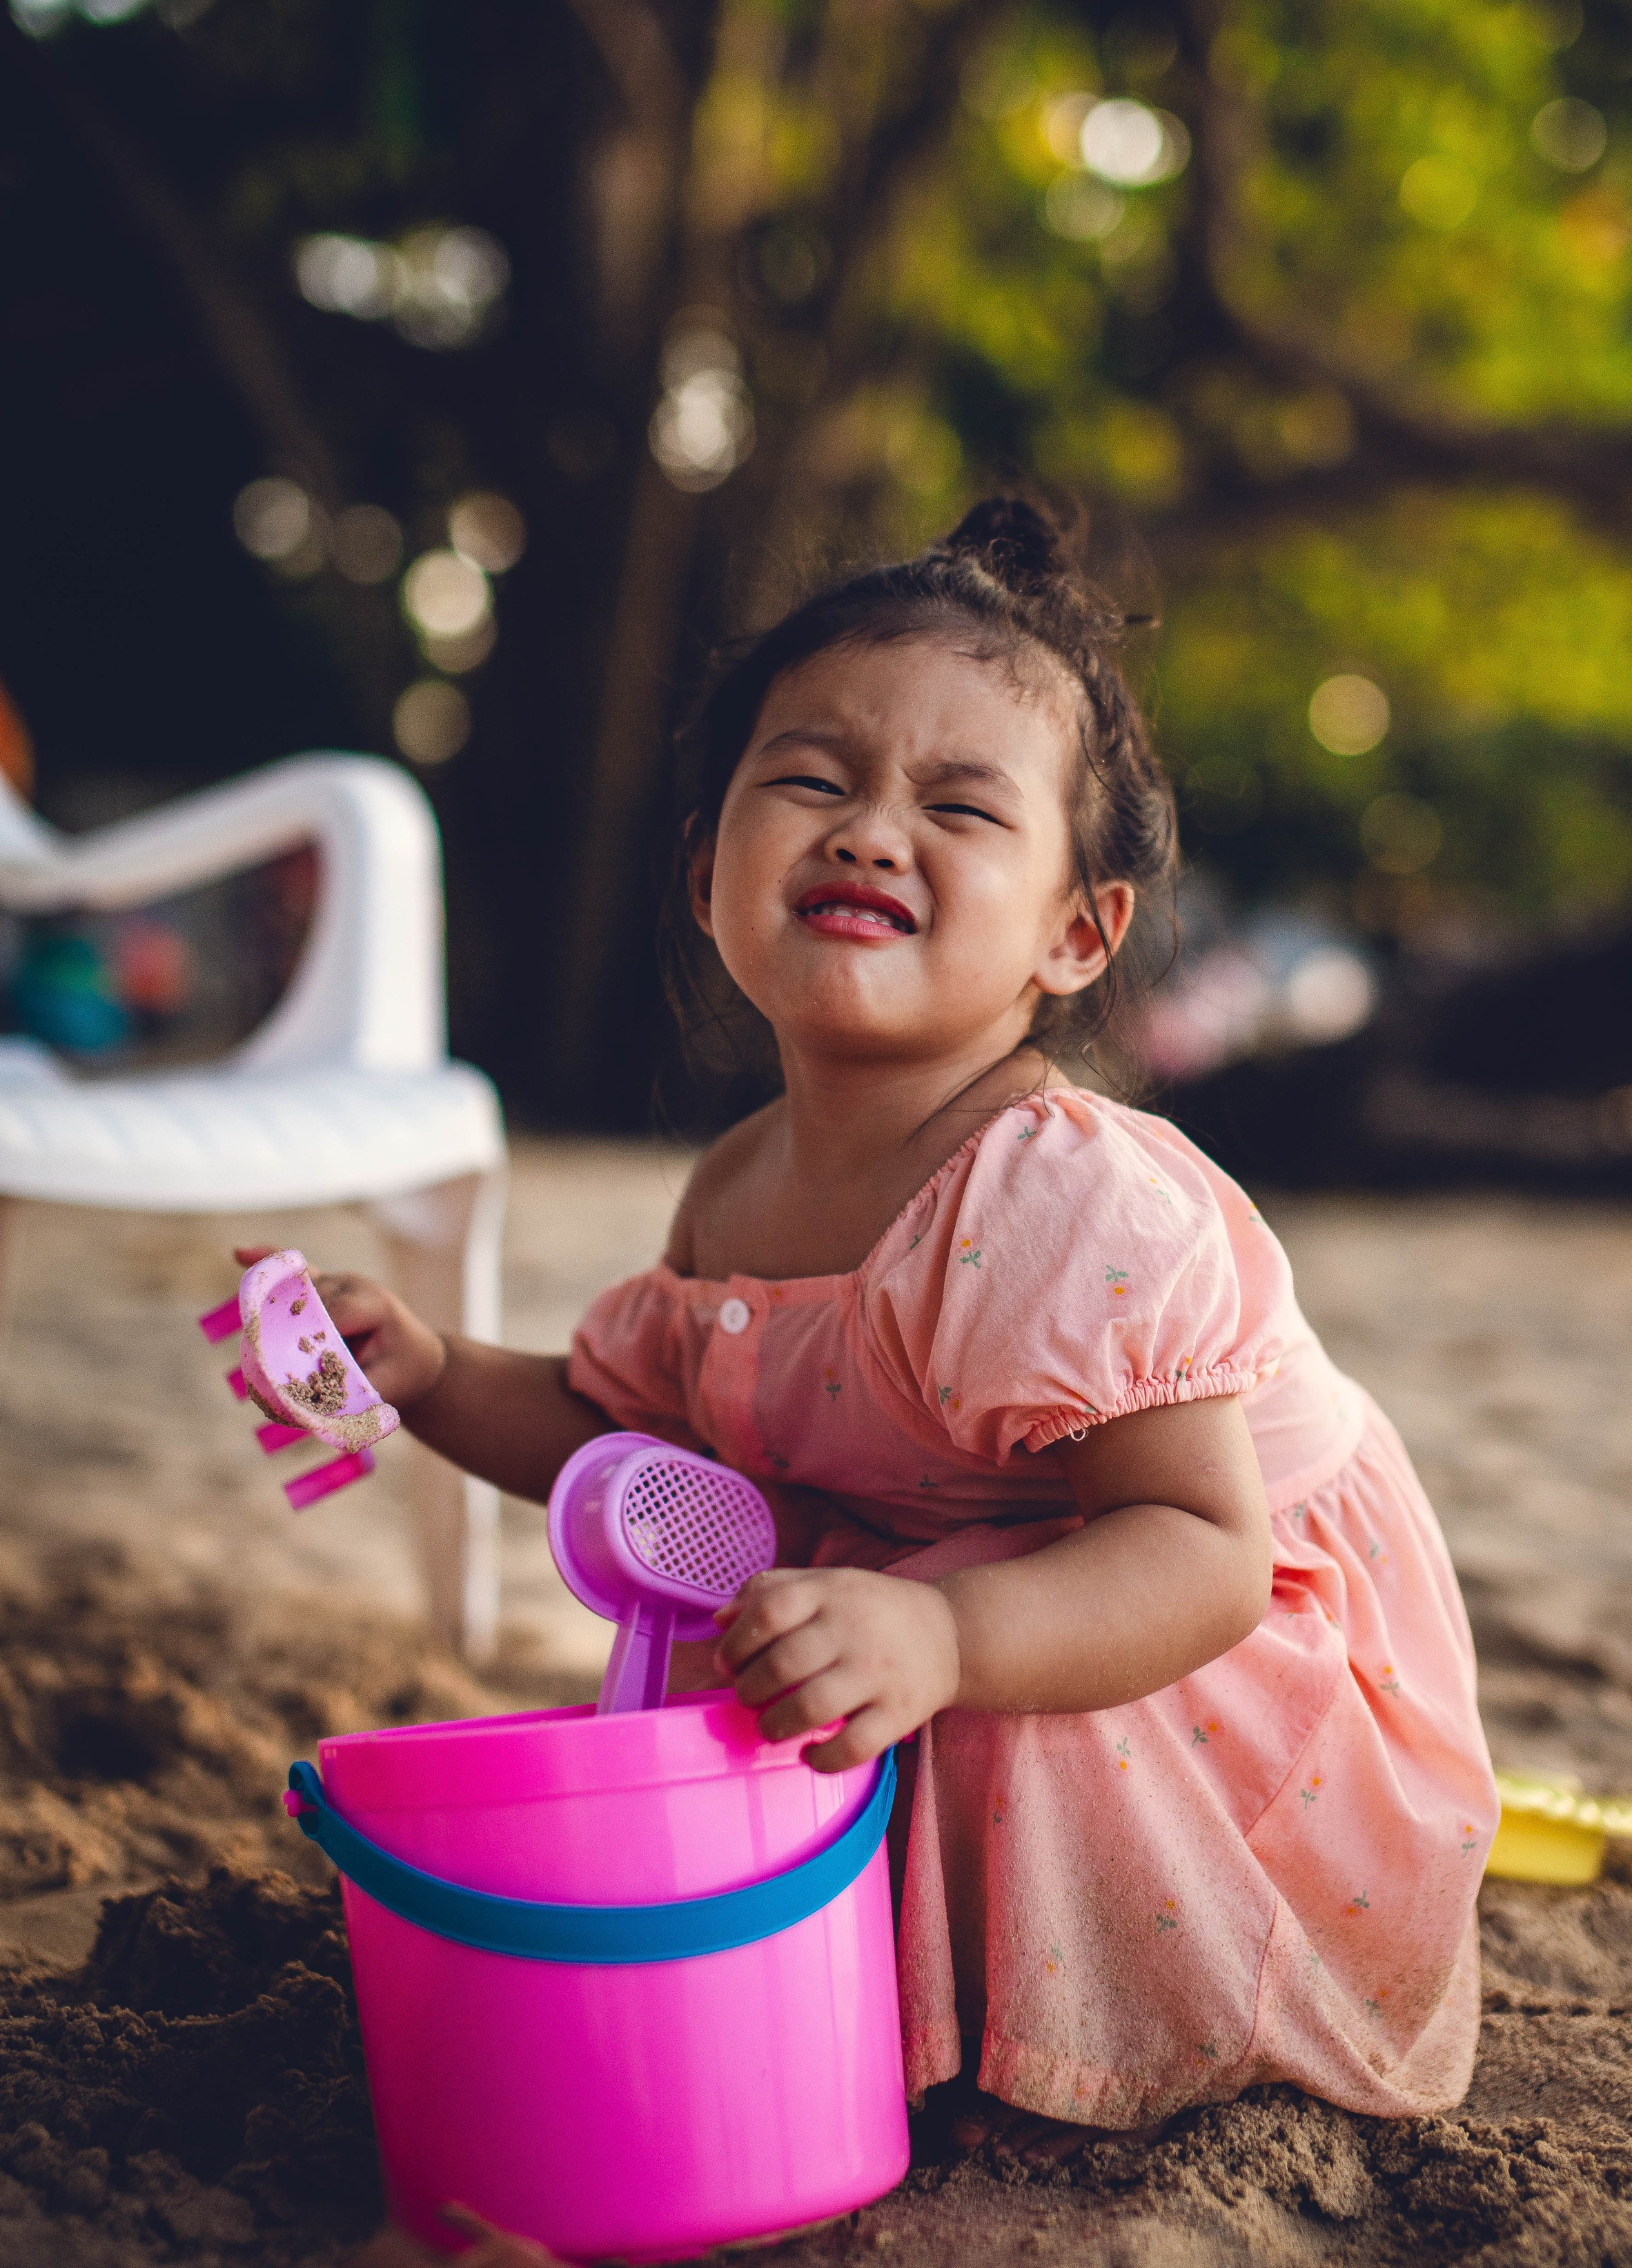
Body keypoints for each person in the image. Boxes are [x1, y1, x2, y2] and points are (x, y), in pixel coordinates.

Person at [246, 493, 1496, 2149]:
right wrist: (423, 1371)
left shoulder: (1060, 1199)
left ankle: (1037, 2037)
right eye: (811, 780)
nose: (868, 832)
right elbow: (644, 1451)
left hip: (1187, 1637)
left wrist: (947, 1640)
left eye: (957, 806)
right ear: (706, 876)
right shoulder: (738, 1182)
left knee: (943, 1667)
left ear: (1074, 931)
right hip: (949, 1580)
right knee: (778, 1640)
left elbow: (1201, 1553)